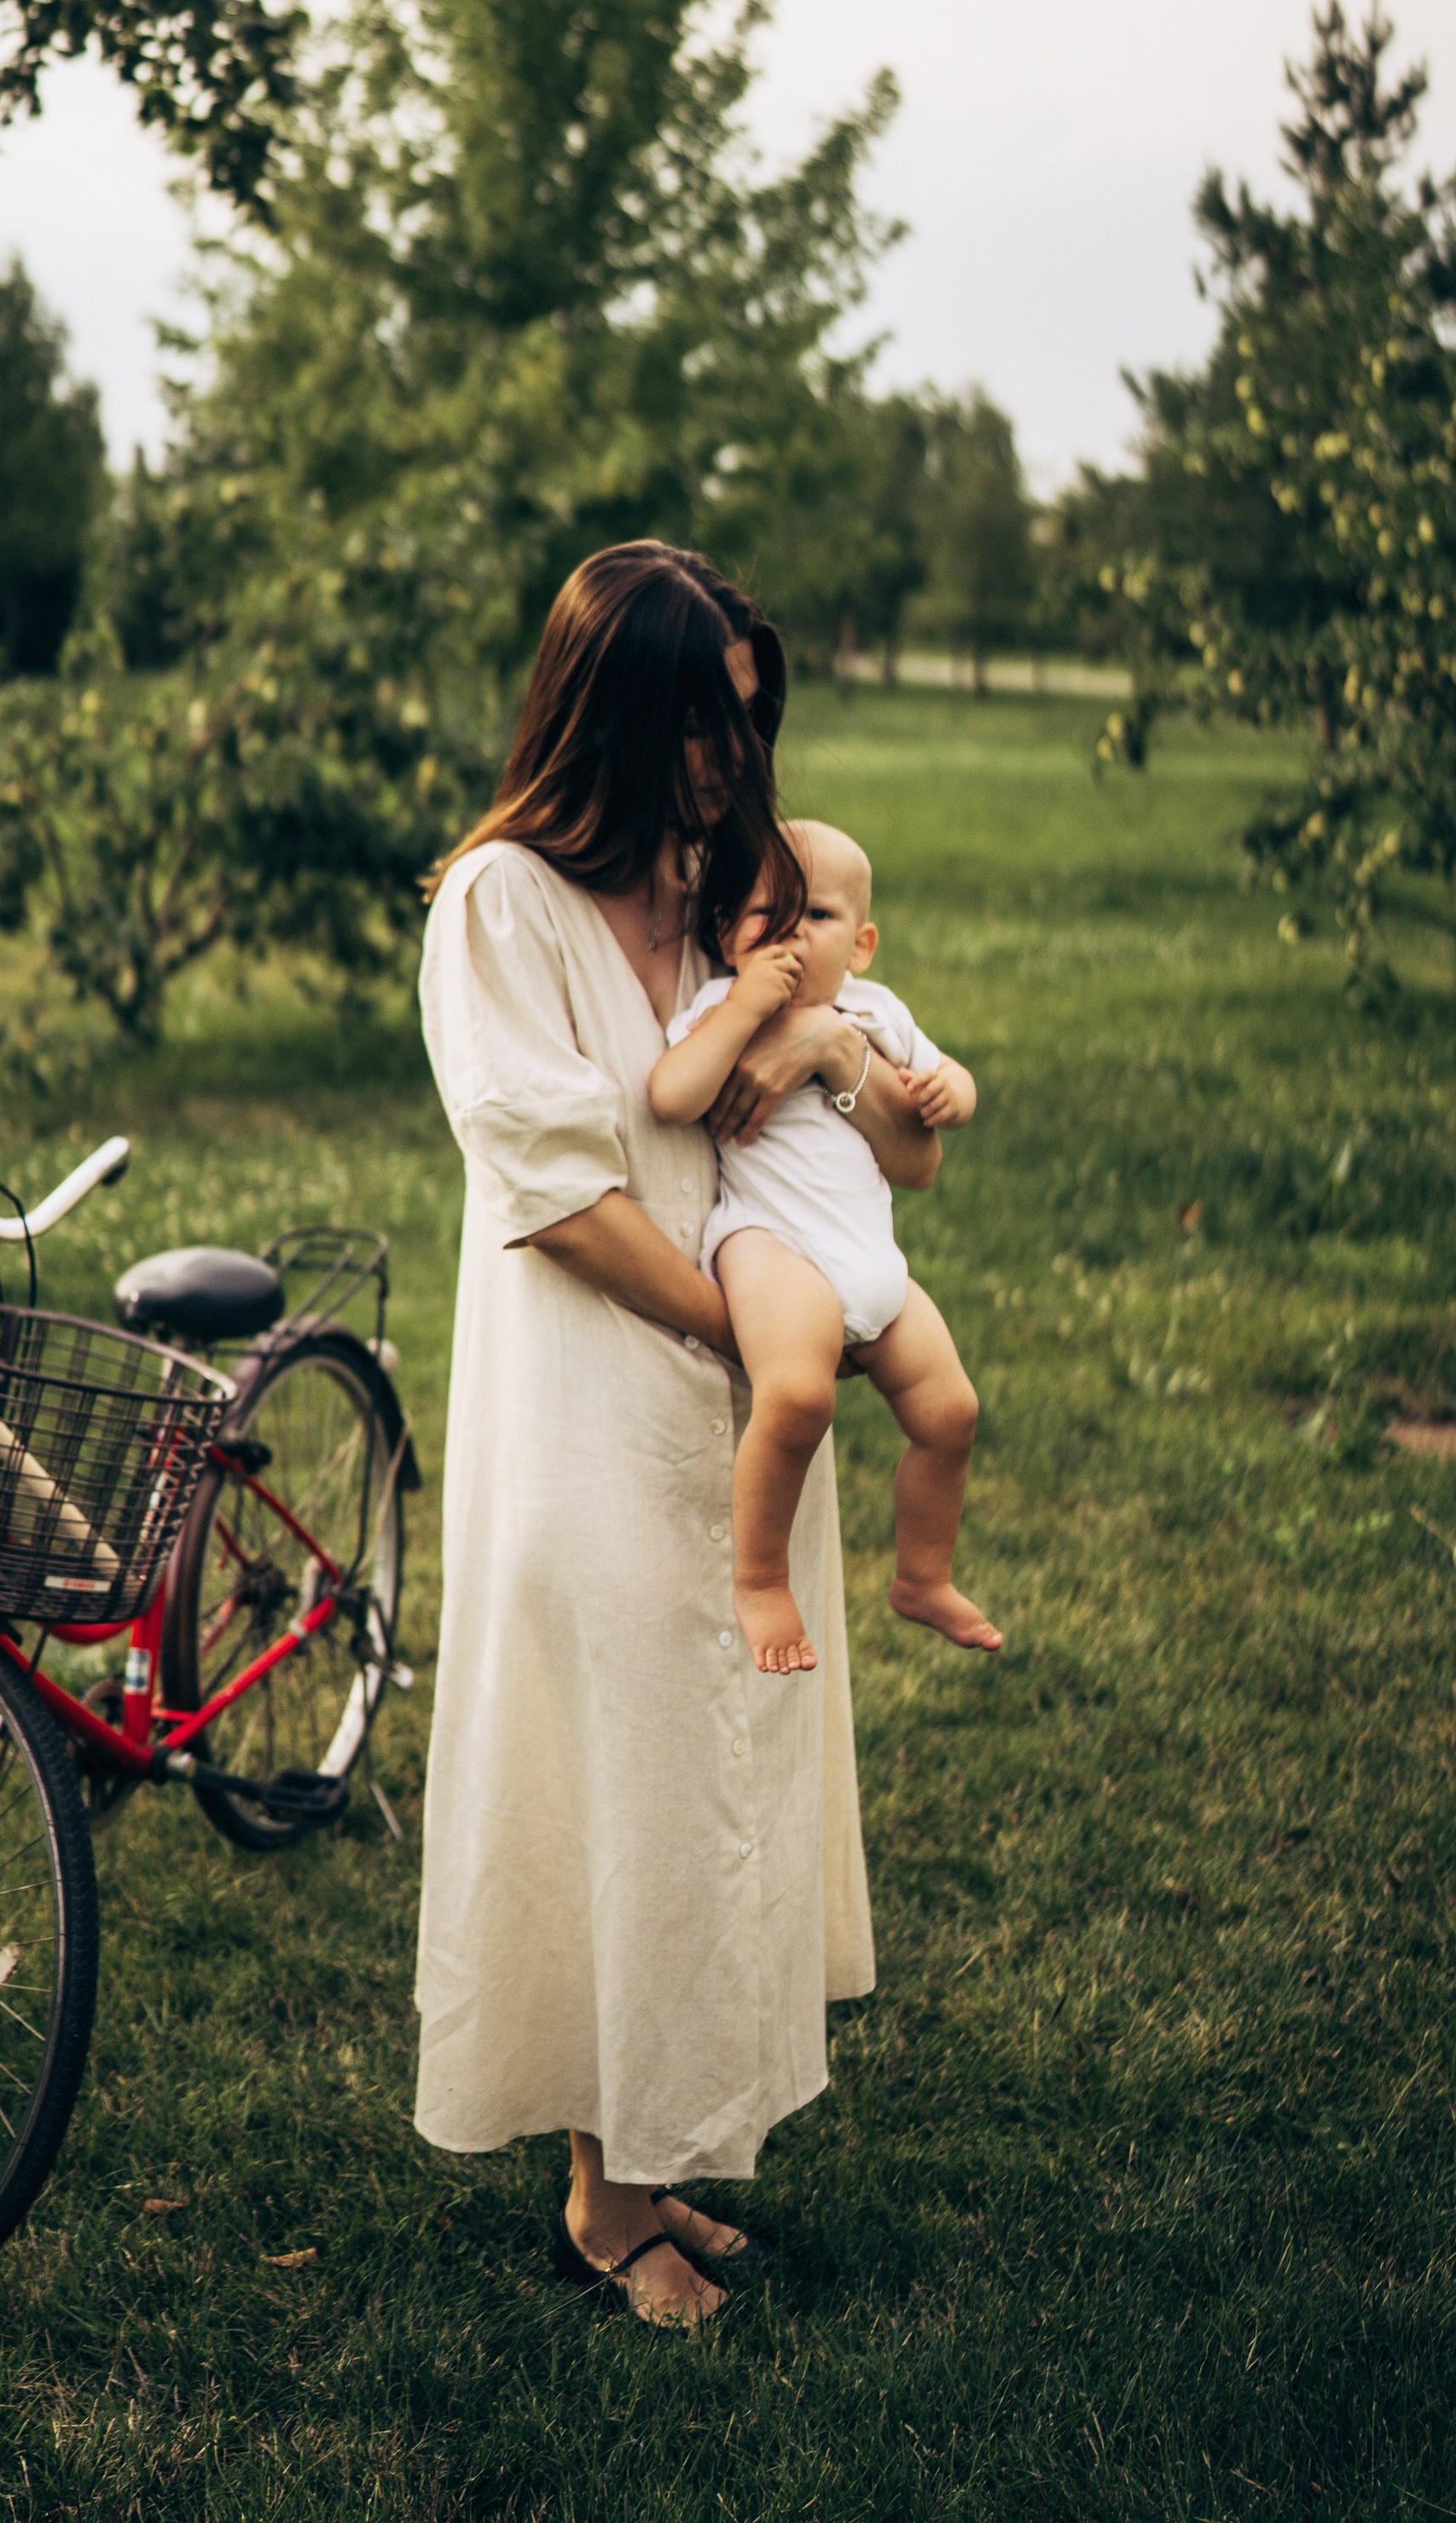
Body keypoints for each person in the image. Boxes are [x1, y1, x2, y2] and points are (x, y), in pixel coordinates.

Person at [414, 543, 941, 2330]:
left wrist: (855, 1078)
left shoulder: (724, 890)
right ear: (608, 714)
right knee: (604, 1771)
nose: (730, 761)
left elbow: (827, 1076)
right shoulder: (502, 905)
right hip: (590, 1398)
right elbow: (557, 1196)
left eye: (747, 722)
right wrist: (756, 1328)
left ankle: (645, 2164)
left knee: (703, 1767)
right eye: (699, 725)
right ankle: (595, 2193)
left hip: (733, 1412)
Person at [647, 816, 1000, 1677]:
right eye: (770, 915)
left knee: (950, 1413)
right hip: (769, 1243)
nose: (793, 936)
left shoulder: (875, 1013)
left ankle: (922, 1574)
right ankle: (761, 1578)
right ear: (729, 932)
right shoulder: (717, 1010)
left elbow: (947, 1076)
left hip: (868, 1256)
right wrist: (745, 1010)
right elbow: (671, 1093)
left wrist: (951, 1090)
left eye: (820, 917)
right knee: (799, 1398)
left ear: (863, 944)